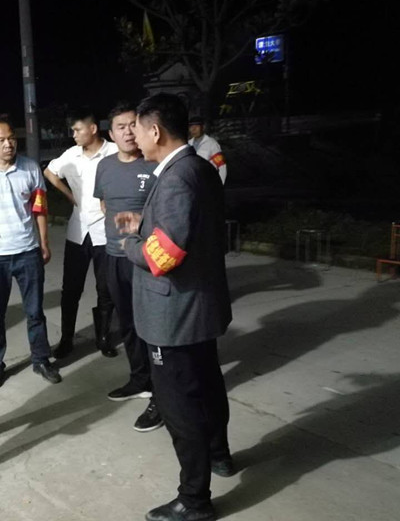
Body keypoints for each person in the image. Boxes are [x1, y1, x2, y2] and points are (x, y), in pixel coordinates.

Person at [117, 94, 233, 521]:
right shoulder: (199, 167)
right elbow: (189, 229)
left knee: (179, 406)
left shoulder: (176, 178)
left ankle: (194, 499)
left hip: (174, 316)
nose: (133, 135)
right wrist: (146, 223)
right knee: (209, 386)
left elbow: (163, 256)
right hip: (200, 308)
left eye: (137, 128)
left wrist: (132, 243)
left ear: (155, 130)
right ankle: (219, 455)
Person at [0, 118, 62, 391]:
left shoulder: (30, 168)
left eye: (11, 138)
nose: (8, 144)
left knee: (35, 312)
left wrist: (44, 242)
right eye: (1, 140)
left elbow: (39, 208)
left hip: (28, 252)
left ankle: (41, 359)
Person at [93, 102, 163, 433]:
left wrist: (140, 224)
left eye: (133, 124)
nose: (128, 131)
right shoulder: (105, 167)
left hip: (145, 259)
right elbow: (104, 204)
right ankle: (139, 380)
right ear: (111, 134)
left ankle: (161, 395)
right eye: (121, 126)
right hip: (114, 257)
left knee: (153, 327)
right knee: (128, 325)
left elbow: (165, 213)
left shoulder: (153, 163)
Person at [44, 108, 118, 359]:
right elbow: (49, 172)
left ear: (93, 129)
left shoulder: (114, 152)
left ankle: (103, 338)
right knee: (71, 289)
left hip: (105, 231)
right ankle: (67, 339)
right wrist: (69, 194)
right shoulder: (71, 154)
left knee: (105, 288)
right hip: (78, 232)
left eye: (77, 130)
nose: (73, 134)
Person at [188, 117, 227, 184]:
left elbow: (221, 166)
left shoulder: (211, 144)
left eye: (197, 126)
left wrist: (220, 185)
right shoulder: (188, 144)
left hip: (208, 182)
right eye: (191, 127)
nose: (194, 129)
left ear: (203, 127)